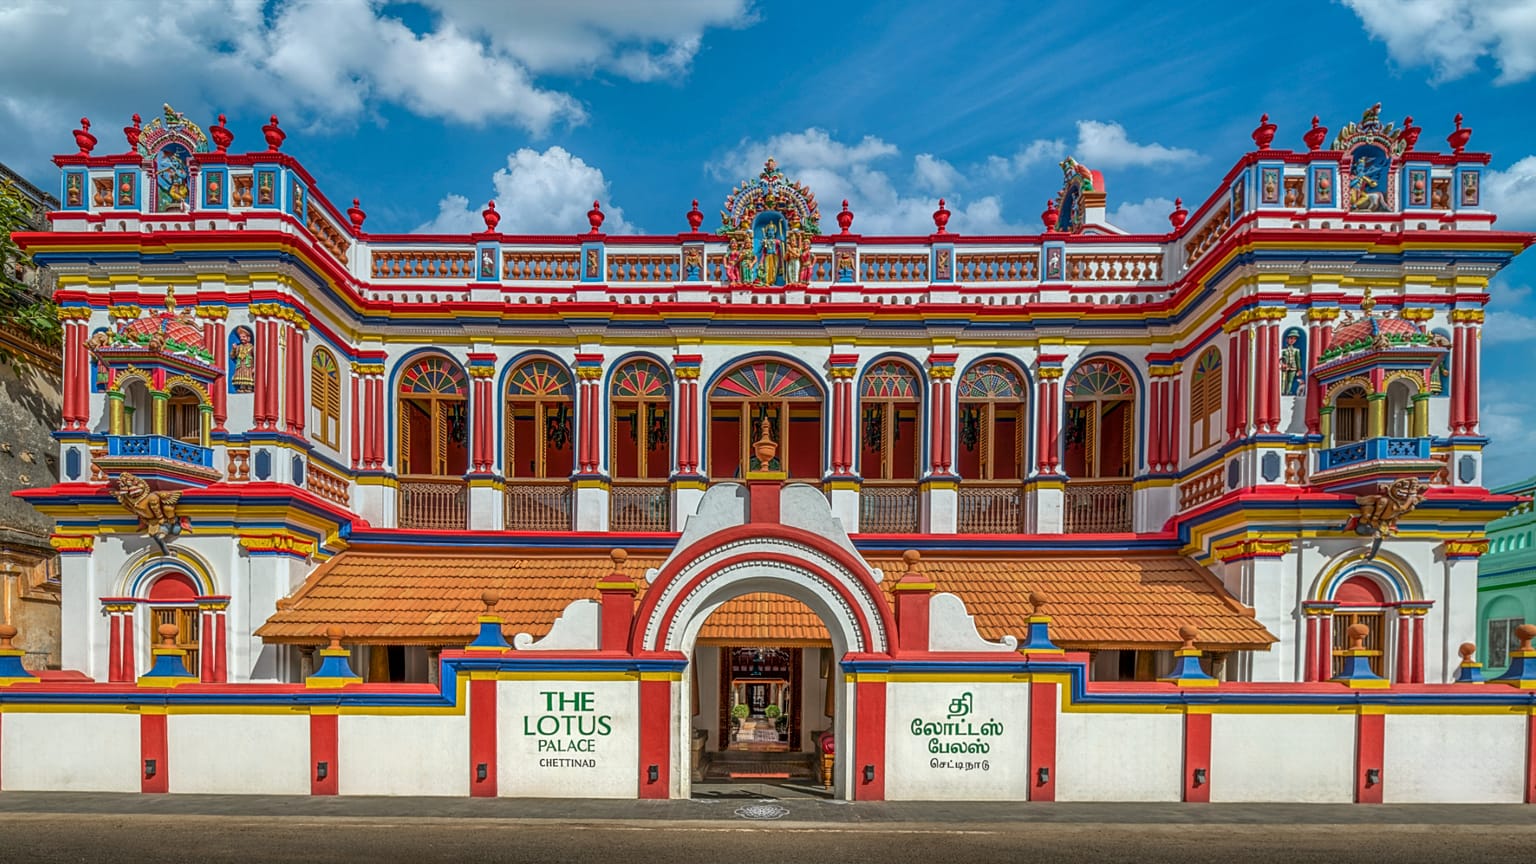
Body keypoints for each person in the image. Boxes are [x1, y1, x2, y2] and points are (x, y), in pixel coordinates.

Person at [230, 328, 255, 393]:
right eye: (241, 337)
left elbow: (256, 357)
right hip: (240, 365)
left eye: (244, 337)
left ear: (248, 338)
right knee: (241, 376)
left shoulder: (251, 347)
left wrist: (255, 367)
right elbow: (232, 356)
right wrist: (234, 349)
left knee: (248, 375)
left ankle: (249, 388)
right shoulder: (239, 347)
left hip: (248, 365)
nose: (242, 338)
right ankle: (242, 387)